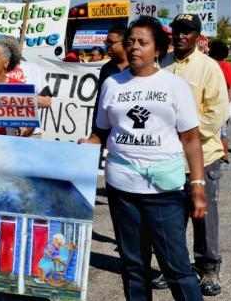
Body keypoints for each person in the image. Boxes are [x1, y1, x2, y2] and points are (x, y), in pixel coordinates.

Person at [80, 16, 207, 301]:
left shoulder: (174, 86)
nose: (134, 47)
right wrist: (84, 147)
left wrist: (198, 185)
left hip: (163, 191)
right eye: (130, 41)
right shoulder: (112, 84)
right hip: (121, 189)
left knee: (176, 266)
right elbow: (100, 132)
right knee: (134, 266)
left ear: (158, 50)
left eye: (142, 42)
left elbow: (190, 139)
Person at [163, 13, 229, 296]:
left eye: (188, 32)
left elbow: (217, 113)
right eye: (178, 30)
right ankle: (174, 268)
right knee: (171, 218)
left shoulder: (208, 67)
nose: (181, 36)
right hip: (167, 159)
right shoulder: (161, 65)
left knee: (203, 218)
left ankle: (208, 268)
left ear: (197, 37)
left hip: (203, 156)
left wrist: (186, 138)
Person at [91, 26, 129, 131]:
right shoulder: (106, 69)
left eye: (110, 43)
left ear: (124, 43)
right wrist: (95, 130)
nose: (107, 46)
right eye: (106, 43)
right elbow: (100, 101)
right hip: (108, 129)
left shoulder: (137, 67)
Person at [209, 40, 231, 162]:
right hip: (211, 102)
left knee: (222, 131)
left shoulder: (226, 66)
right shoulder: (209, 64)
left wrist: (225, 105)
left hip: (223, 103)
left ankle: (224, 154)